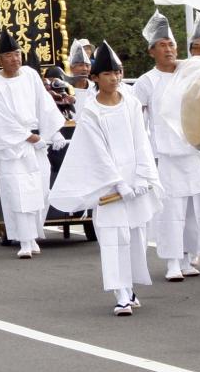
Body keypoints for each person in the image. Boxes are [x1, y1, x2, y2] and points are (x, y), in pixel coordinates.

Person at [50, 41, 162, 315]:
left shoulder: (132, 104)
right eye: (109, 73)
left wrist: (142, 177)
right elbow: (96, 152)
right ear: (95, 78)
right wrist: (117, 183)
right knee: (114, 237)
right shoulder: (91, 111)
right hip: (108, 186)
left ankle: (130, 286)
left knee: (135, 236)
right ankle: (120, 292)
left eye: (119, 72)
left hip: (134, 182)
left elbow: (142, 141)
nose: (115, 78)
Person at [131, 11, 200, 282]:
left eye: (172, 44)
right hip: (166, 156)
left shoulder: (188, 72)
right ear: (151, 50)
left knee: (193, 211)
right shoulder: (146, 81)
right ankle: (172, 261)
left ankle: (189, 256)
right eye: (163, 45)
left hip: (194, 154)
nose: (169, 49)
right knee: (171, 211)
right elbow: (136, 119)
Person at [0, 31, 65, 259]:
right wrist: (30, 137)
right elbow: (2, 119)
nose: (15, 58)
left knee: (40, 191)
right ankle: (25, 240)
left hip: (37, 143)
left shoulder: (30, 75)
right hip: (14, 148)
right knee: (19, 194)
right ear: (0, 59)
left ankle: (34, 235)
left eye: (17, 53)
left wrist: (53, 132)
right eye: (9, 55)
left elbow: (45, 104)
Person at [65, 39, 96, 110]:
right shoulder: (65, 89)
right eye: (80, 65)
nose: (85, 69)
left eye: (87, 66)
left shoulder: (95, 88)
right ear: (71, 68)